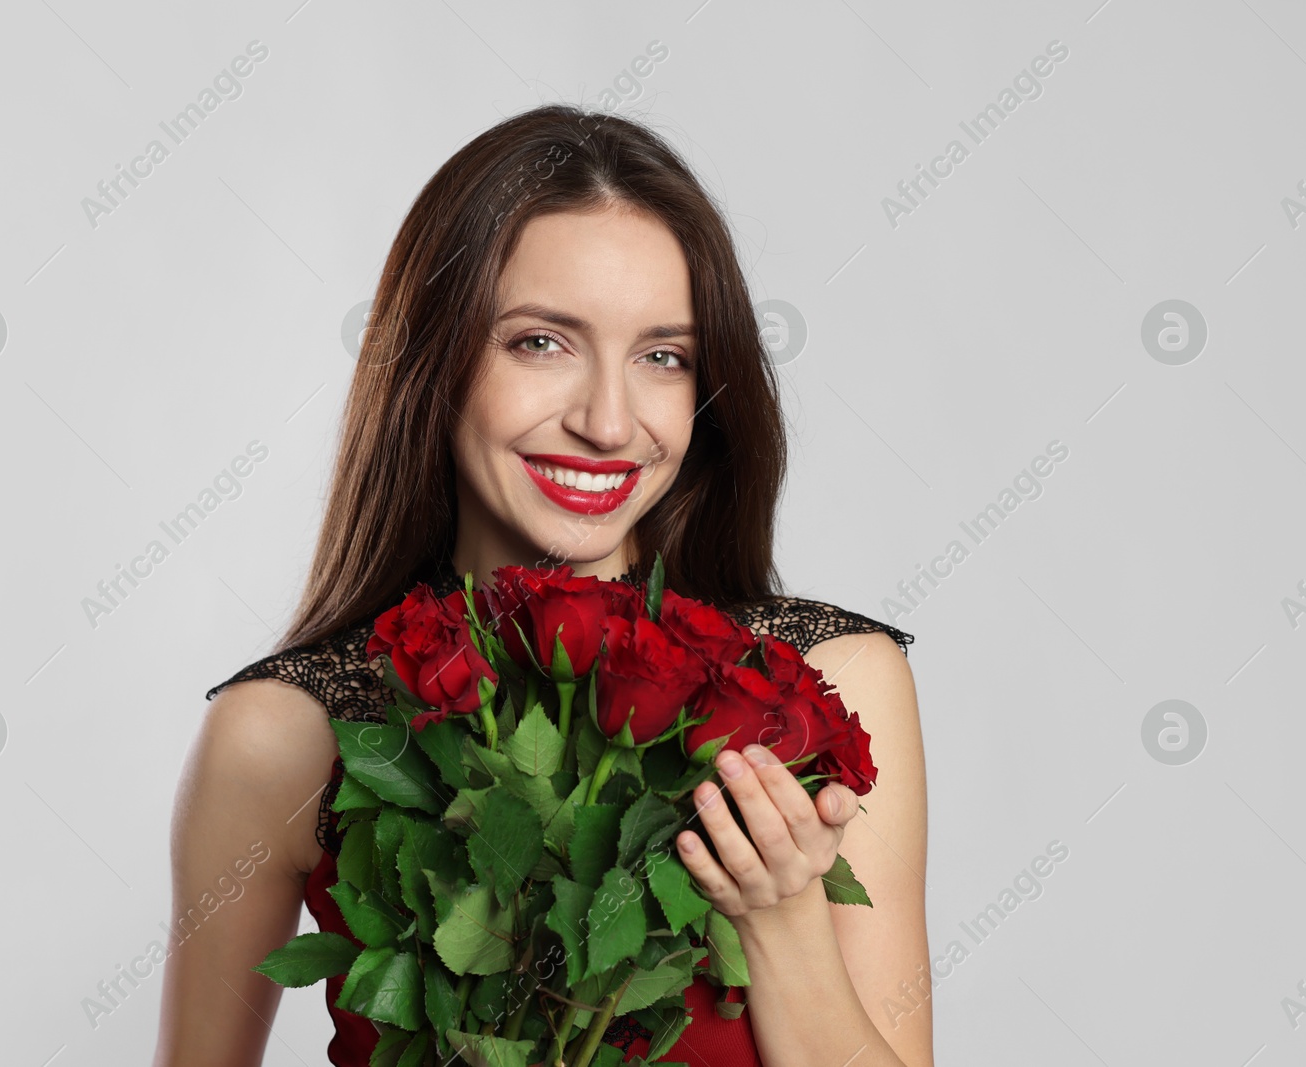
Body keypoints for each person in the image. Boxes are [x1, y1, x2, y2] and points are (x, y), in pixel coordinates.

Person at [154, 103, 932, 1067]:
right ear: (433, 365)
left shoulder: (811, 695)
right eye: (540, 342)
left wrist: (780, 920)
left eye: (663, 356)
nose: (609, 422)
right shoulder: (286, 734)